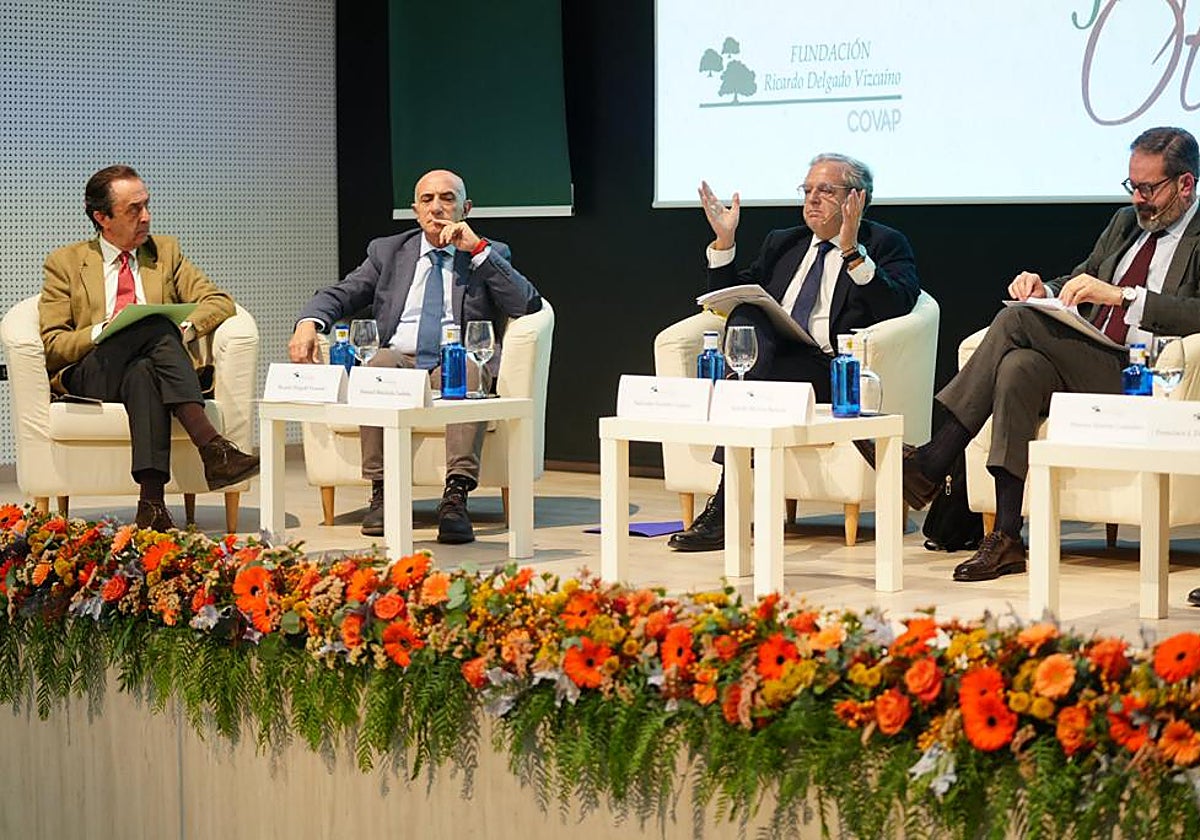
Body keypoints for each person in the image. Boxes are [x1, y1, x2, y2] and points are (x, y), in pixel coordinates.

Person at [877, 126, 1200, 584]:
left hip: (1144, 371)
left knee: (1014, 322)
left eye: (1150, 188)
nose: (1139, 200)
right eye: (1133, 187)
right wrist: (1043, 289)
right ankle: (1007, 535)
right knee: (1019, 367)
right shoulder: (1125, 224)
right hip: (1094, 358)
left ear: (1185, 184)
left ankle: (935, 458)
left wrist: (1126, 298)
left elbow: (1193, 310)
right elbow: (1083, 278)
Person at [668, 153, 921, 552]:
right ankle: (730, 496)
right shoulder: (783, 242)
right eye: (807, 190)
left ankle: (726, 504)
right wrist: (724, 242)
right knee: (750, 314)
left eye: (825, 190)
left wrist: (853, 251)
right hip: (772, 361)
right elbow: (727, 300)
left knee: (747, 378)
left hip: (828, 368)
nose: (812, 199)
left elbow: (897, 305)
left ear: (856, 199)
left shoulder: (885, 243)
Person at [289, 169, 542, 544]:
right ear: (415, 209)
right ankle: (383, 491)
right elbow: (341, 294)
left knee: (468, 370)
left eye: (447, 199)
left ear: (466, 208)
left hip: (452, 361)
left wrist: (477, 250)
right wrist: (308, 323)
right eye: (427, 200)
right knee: (376, 367)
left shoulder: (489, 252)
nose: (437, 207)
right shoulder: (388, 252)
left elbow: (526, 303)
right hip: (400, 359)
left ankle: (456, 495)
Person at [39, 165, 261, 531]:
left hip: (150, 368)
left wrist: (184, 329)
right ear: (102, 218)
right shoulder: (65, 263)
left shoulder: (165, 253)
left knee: (145, 369)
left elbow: (219, 300)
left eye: (147, 205)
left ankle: (152, 505)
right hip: (93, 371)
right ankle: (212, 447)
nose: (146, 217)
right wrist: (104, 330)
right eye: (133, 210)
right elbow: (53, 344)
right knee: (154, 324)